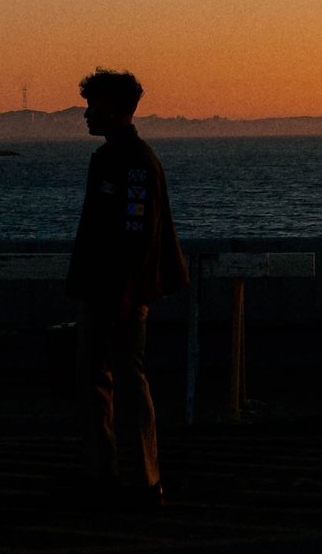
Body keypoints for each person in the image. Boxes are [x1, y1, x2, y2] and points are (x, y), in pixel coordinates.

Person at [66, 68, 188, 508]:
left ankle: (145, 480)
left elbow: (137, 234)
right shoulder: (110, 158)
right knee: (94, 380)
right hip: (101, 288)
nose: (85, 115)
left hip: (120, 292)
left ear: (116, 111)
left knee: (127, 382)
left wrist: (124, 293)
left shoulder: (135, 160)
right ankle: (105, 474)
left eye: (92, 107)